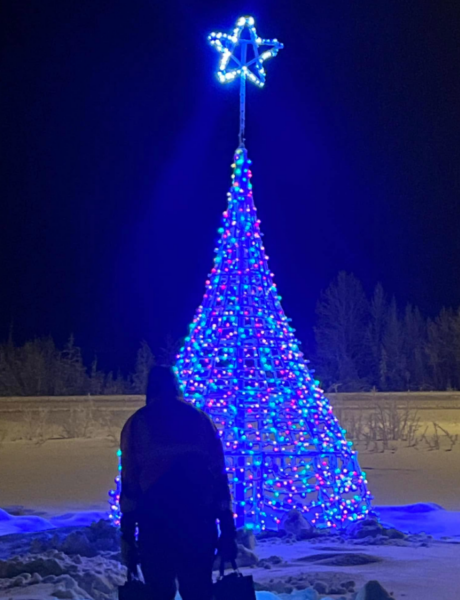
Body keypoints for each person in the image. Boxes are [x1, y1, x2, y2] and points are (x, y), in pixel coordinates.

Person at [120, 366, 237, 600]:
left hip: (155, 520)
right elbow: (218, 473)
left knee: (158, 590)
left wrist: (128, 532)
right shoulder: (200, 419)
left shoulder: (137, 424)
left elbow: (130, 478)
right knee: (198, 589)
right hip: (198, 518)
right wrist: (226, 523)